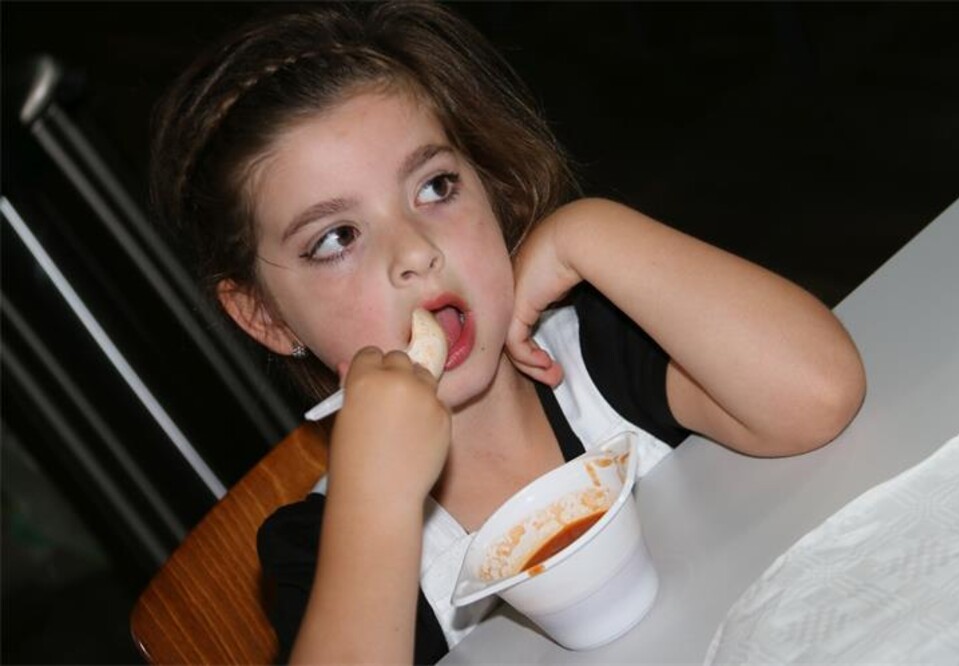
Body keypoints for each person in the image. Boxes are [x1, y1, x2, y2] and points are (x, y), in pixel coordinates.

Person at [149, 2, 866, 663]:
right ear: (267, 317)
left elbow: (819, 396)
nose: (414, 252)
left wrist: (588, 232)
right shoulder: (326, 545)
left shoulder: (602, 355)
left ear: (488, 185)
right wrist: (377, 502)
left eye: (435, 187)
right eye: (337, 237)